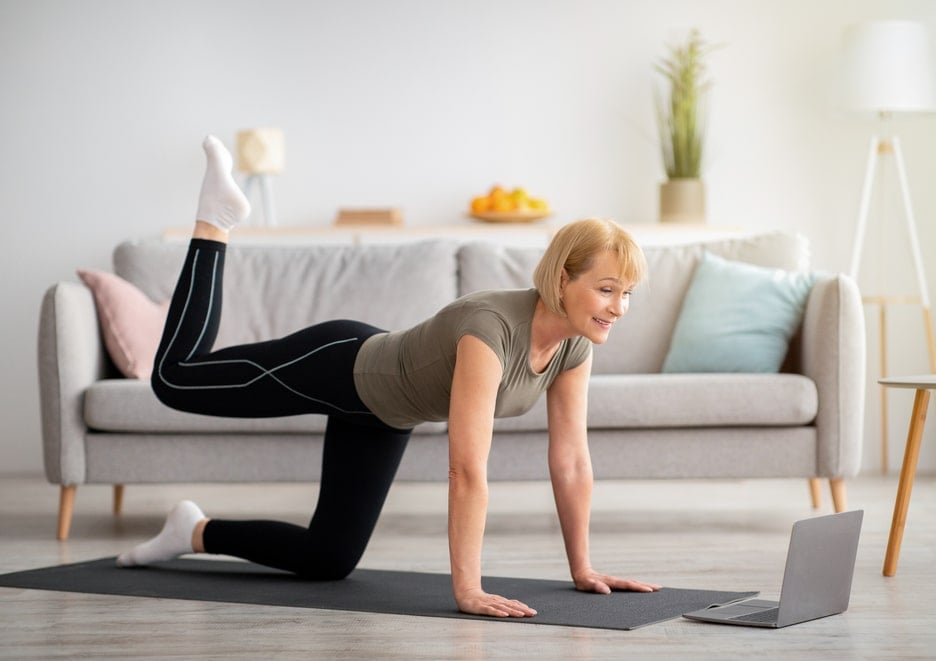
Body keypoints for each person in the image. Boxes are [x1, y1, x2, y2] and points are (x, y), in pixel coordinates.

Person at [117, 135, 660, 619]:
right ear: (563, 279)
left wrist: (583, 568)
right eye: (607, 288)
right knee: (174, 378)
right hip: (340, 363)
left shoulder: (573, 347)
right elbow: (467, 468)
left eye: (627, 292)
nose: (619, 306)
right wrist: (467, 590)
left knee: (328, 559)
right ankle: (215, 221)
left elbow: (570, 461)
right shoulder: (490, 328)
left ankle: (191, 531)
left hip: (384, 413)